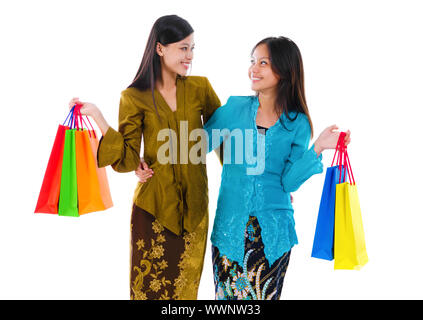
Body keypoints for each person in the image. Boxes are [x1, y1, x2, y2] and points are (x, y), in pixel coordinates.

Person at [68, 15, 222, 300]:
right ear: (160, 49)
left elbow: (224, 142)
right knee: (148, 294)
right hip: (153, 210)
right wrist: (99, 118)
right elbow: (126, 159)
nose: (190, 56)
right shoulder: (134, 96)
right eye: (183, 48)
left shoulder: (201, 88)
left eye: (192, 48)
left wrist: (257, 187)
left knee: (185, 295)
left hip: (195, 211)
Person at [203, 36, 350, 300]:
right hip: (230, 230)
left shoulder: (298, 123)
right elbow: (198, 145)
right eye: (252, 62)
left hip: (273, 234)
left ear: (283, 71)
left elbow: (289, 182)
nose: (253, 69)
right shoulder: (235, 108)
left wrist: (317, 148)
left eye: (263, 63)